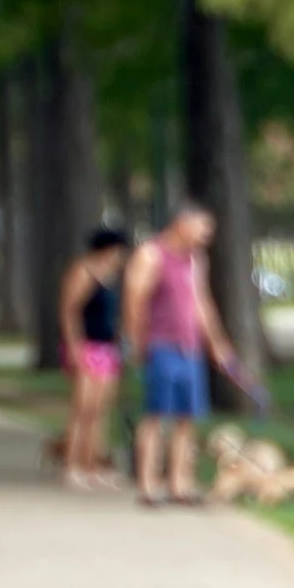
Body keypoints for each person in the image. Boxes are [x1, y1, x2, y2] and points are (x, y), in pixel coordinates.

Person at [121, 205, 232, 506]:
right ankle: (147, 485)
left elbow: (201, 302)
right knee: (156, 415)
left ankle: (180, 483)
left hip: (190, 347)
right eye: (201, 229)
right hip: (161, 345)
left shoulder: (196, 259)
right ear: (181, 224)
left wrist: (217, 342)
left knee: (187, 418)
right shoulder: (151, 255)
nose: (206, 237)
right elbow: (134, 300)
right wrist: (136, 343)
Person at [55, 225, 132, 486]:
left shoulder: (111, 277)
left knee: (101, 410)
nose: (121, 256)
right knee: (83, 408)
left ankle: (93, 464)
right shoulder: (83, 271)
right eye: (119, 251)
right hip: (85, 345)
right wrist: (73, 347)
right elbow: (69, 311)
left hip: (107, 347)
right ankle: (71, 464)